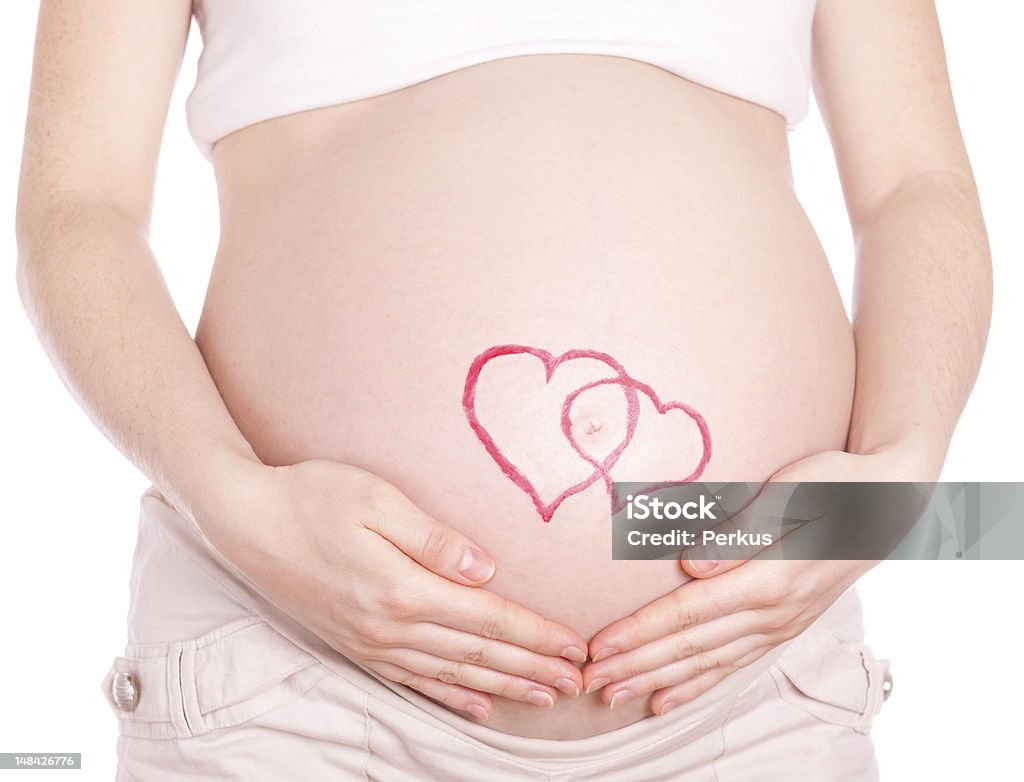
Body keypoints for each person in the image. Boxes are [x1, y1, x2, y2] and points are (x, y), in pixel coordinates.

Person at [15, 0, 991, 779]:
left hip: (748, 692)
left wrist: (888, 488)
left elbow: (916, 182)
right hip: (301, 678)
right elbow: (78, 206)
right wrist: (230, 495)